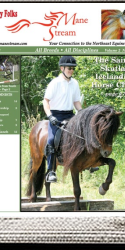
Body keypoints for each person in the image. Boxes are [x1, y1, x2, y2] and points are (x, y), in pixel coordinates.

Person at [43, 55, 82, 183]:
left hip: (70, 114)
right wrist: (50, 116)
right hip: (56, 115)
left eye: (73, 68)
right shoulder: (55, 83)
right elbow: (46, 101)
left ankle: (88, 162)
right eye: (69, 68)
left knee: (83, 134)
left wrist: (81, 113)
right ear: (62, 68)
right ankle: (50, 171)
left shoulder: (75, 83)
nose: (71, 70)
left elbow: (76, 101)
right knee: (51, 139)